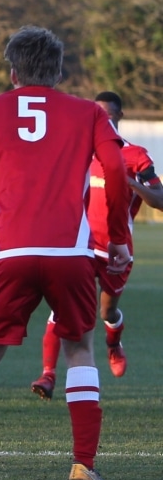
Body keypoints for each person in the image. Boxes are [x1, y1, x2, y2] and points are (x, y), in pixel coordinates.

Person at [0, 25, 132, 480]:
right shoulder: (86, 113)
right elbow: (118, 171)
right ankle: (83, 465)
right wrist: (119, 238)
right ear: (58, 72)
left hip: (10, 255)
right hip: (70, 254)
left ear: (12, 71)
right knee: (80, 351)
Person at [31, 91, 163, 399]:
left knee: (107, 310)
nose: (100, 120)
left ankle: (114, 342)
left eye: (107, 115)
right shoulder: (75, 150)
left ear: (118, 117)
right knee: (62, 309)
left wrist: (129, 182)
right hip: (78, 246)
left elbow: (160, 200)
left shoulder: (136, 156)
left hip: (117, 249)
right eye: (96, 114)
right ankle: (48, 375)